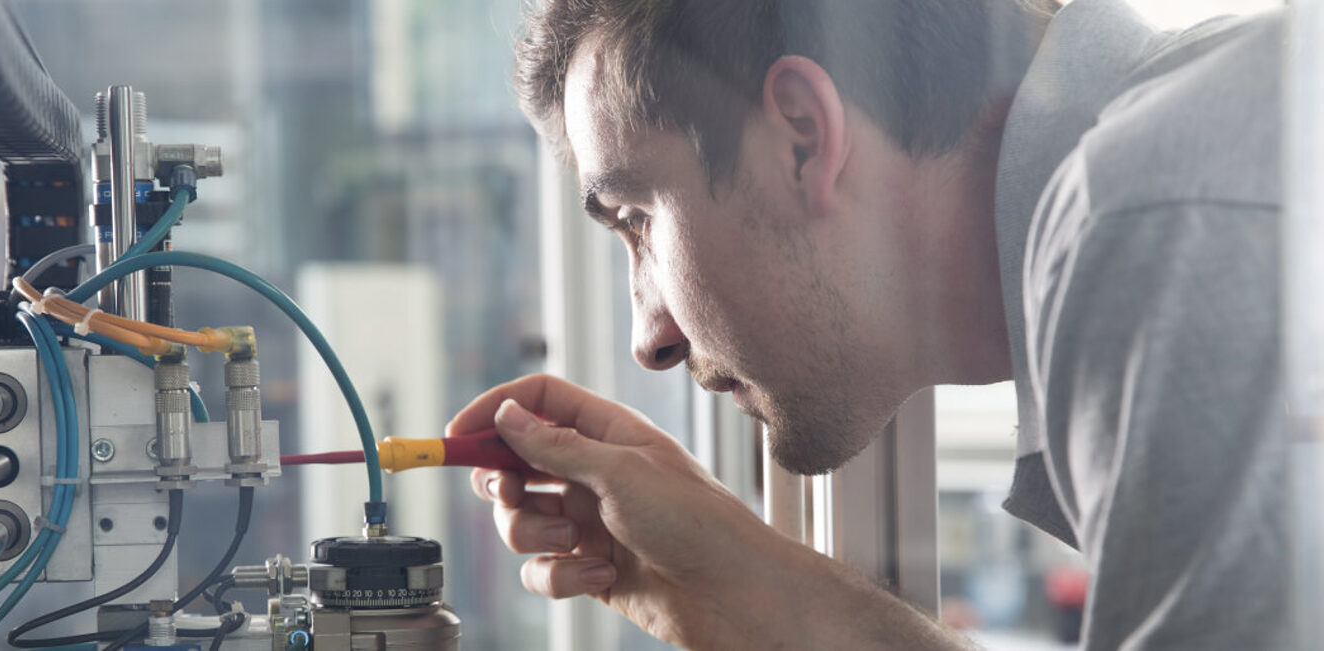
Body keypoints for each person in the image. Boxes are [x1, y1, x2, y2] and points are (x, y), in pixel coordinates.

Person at [445, 0, 1288, 647]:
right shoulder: (1171, 174)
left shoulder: (1152, 218)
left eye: (636, 219)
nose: (650, 336)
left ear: (804, 138)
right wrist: (747, 589)